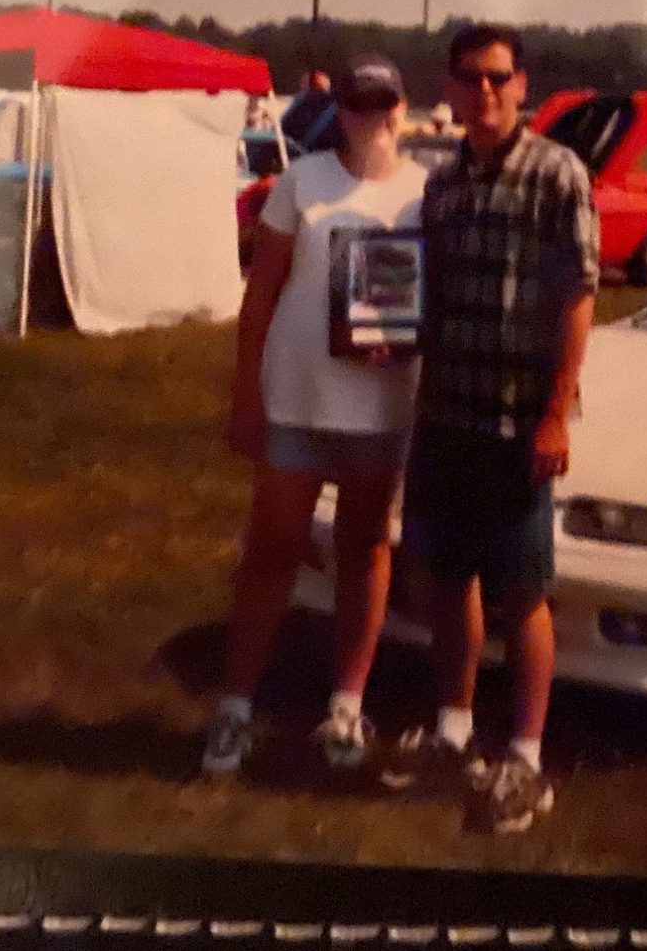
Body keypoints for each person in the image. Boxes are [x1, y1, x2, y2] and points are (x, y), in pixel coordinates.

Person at [378, 23, 599, 834]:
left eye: (499, 78)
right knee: (445, 579)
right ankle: (454, 732)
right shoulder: (444, 185)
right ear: (452, 88)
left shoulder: (557, 175)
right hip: (446, 415)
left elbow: (578, 296)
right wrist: (378, 333)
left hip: (519, 424)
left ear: (523, 84)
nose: (485, 92)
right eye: (470, 79)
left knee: (523, 591)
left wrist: (554, 412)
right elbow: (418, 295)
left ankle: (528, 760)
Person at [202, 54, 428, 777]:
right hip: (297, 399)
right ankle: (235, 705)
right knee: (272, 550)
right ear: (343, 112)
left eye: (384, 106)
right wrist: (246, 395)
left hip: (384, 408)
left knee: (365, 552)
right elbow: (260, 294)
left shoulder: (428, 190)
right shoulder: (301, 182)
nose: (373, 120)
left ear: (403, 108)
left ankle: (346, 708)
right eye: (359, 107)